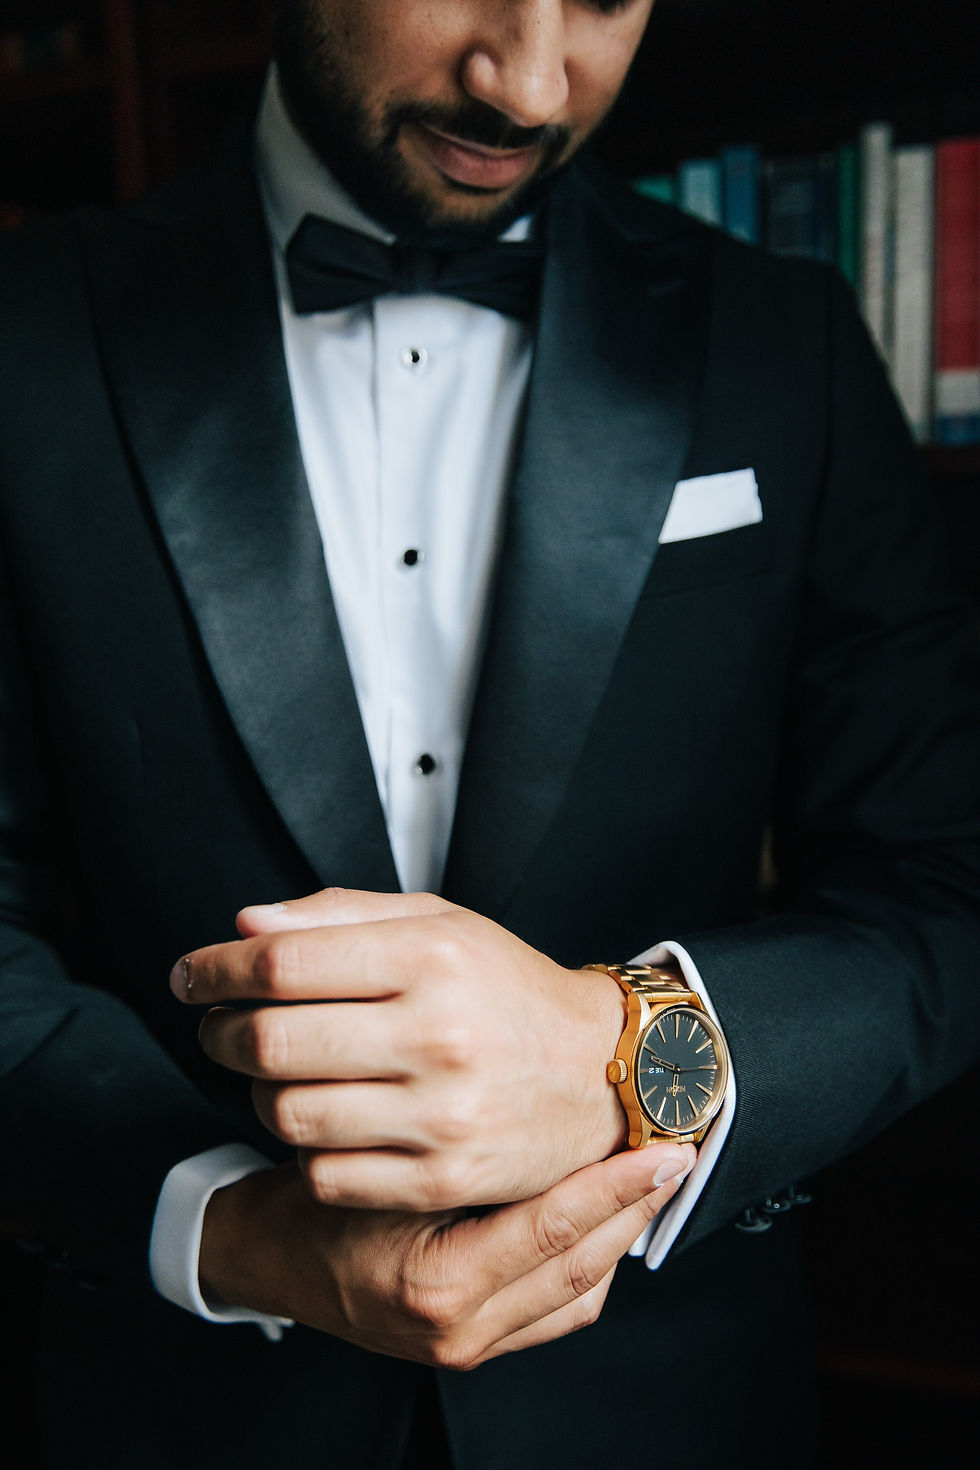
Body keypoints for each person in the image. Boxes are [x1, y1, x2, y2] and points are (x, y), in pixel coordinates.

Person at [2, 2, 979, 1466]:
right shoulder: (23, 340)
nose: (526, 82)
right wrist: (234, 1226)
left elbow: (948, 884)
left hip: (679, 1419)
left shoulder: (787, 340)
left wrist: (624, 1044)